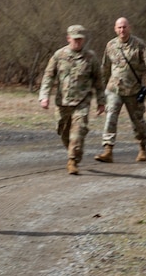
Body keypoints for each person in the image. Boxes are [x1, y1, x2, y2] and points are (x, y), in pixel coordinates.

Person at [38, 25, 105, 175]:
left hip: (82, 102)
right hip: (62, 102)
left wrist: (101, 101)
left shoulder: (91, 57)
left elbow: (99, 81)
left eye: (80, 39)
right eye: (75, 39)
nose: (78, 42)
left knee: (78, 131)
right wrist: (44, 96)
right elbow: (48, 76)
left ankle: (72, 160)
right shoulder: (59, 55)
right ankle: (74, 150)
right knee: (62, 131)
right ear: (68, 38)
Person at [94, 17, 146, 163]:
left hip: (133, 91)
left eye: (124, 27)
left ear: (129, 28)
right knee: (110, 117)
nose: (122, 30)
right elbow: (105, 68)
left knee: (137, 121)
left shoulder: (139, 46)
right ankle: (108, 150)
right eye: (119, 27)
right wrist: (101, 89)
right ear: (115, 29)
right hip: (114, 89)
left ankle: (142, 147)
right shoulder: (111, 45)